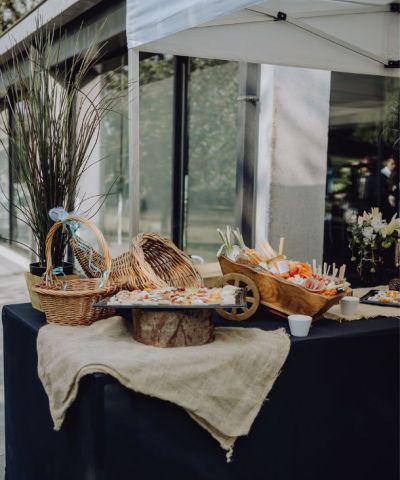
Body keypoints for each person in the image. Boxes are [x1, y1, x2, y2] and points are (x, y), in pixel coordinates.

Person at [365, 155, 398, 220]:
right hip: (379, 205)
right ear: (387, 162)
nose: (394, 166)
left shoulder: (392, 174)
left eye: (395, 164)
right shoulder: (381, 176)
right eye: (392, 164)